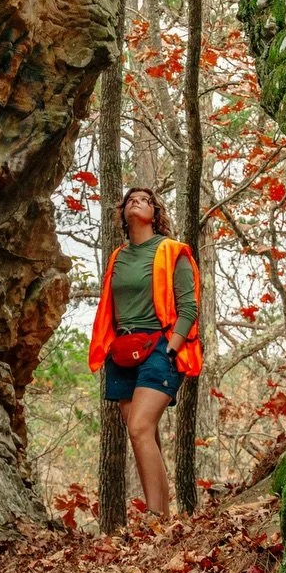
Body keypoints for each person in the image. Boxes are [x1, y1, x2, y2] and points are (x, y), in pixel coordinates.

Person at [87, 185, 202, 522]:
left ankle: (154, 516)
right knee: (143, 434)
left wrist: (171, 348)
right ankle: (164, 520)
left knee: (139, 427)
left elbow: (189, 307)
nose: (137, 203)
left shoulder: (172, 251)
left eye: (146, 200)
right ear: (123, 214)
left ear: (155, 212)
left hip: (158, 348)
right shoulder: (117, 257)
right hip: (122, 353)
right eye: (130, 200)